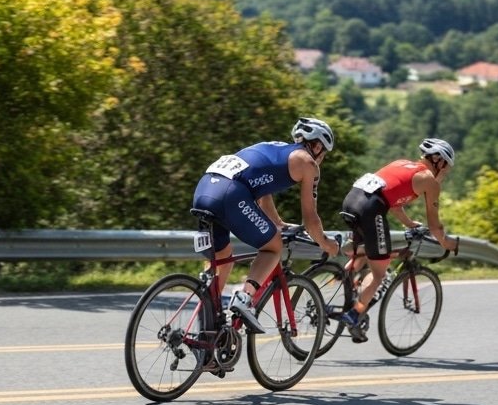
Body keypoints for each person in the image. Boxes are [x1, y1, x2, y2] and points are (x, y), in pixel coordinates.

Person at [191, 117, 342, 333]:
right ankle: (244, 298)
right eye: (324, 153)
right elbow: (310, 220)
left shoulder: (272, 147)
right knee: (273, 247)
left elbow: (262, 190)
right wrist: (327, 244)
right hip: (231, 194)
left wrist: (277, 222)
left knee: (222, 260)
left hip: (204, 189)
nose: (322, 159)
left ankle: (206, 335)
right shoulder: (308, 163)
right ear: (317, 146)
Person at [336, 138, 461, 342]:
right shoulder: (428, 179)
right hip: (370, 210)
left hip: (351, 200)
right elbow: (435, 226)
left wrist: (410, 223)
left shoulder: (402, 163)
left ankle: (347, 283)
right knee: (380, 273)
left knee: (370, 253)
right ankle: (354, 315)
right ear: (440, 161)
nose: (445, 172)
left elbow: (393, 203)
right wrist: (448, 244)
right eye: (446, 168)